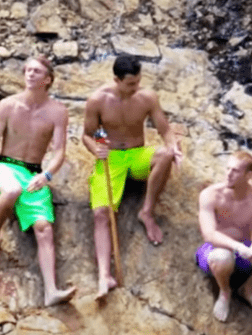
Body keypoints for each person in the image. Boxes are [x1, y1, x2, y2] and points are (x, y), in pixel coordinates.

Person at [82, 54, 182, 299]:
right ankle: (105, 275)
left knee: (165, 155)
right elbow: (86, 134)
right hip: (112, 158)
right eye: (130, 83)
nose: (135, 87)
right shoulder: (97, 100)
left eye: (137, 82)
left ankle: (146, 211)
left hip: (137, 154)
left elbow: (164, 129)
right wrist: (96, 149)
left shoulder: (147, 97)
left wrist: (173, 147)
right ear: (116, 79)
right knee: (101, 213)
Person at [0, 55, 76, 306]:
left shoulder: (57, 112)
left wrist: (46, 175)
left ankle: (51, 291)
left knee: (44, 228)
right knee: (10, 190)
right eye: (28, 70)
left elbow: (59, 151)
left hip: (34, 172)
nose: (30, 74)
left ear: (48, 79)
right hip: (6, 165)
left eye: (37, 71)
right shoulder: (7, 105)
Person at [196, 151, 252, 322]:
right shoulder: (211, 194)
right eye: (228, 168)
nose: (228, 174)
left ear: (249, 175)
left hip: (244, 251)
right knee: (222, 256)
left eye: (235, 171)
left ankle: (247, 290)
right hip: (214, 252)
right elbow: (209, 235)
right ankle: (225, 293)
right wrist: (236, 247)